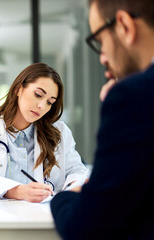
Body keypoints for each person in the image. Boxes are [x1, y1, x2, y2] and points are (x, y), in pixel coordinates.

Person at [50, 0, 154, 239]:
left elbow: (86, 229)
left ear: (125, 26)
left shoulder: (134, 97)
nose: (103, 59)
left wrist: (65, 196)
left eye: (101, 42)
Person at [0, 63, 89, 203]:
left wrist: (71, 189)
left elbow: (77, 171)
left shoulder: (59, 132)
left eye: (50, 102)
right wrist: (18, 191)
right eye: (38, 95)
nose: (42, 106)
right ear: (18, 89)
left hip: (44, 216)